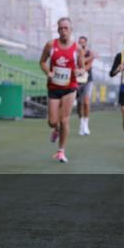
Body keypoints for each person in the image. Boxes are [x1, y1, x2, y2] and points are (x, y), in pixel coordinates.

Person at [38, 17, 77, 163]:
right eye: (60, 28)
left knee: (64, 119)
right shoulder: (50, 45)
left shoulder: (76, 48)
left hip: (70, 87)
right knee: (52, 121)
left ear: (71, 30)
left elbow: (81, 67)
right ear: (58, 30)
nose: (63, 31)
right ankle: (56, 129)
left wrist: (79, 71)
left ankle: (61, 151)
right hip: (54, 87)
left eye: (66, 28)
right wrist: (48, 71)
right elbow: (42, 61)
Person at [75, 36, 95, 135]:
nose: (81, 44)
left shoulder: (90, 52)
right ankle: (81, 124)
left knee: (86, 102)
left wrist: (83, 61)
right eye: (79, 42)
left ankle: (86, 124)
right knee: (79, 104)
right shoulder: (75, 53)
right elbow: (76, 63)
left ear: (86, 43)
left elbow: (87, 66)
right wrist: (87, 59)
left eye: (83, 42)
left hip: (88, 80)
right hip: (77, 81)